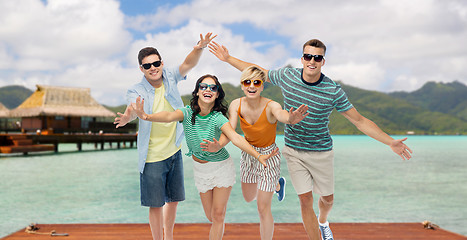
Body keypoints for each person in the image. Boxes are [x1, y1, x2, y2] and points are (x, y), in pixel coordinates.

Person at [208, 39, 413, 240]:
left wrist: (390, 141)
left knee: (327, 200)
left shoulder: (333, 91)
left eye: (317, 57)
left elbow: (359, 121)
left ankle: (323, 221)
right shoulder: (288, 76)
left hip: (321, 152)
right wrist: (227, 59)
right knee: (305, 200)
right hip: (294, 150)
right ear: (302, 58)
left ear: (323, 61)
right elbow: (258, 71)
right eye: (308, 56)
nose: (312, 61)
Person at [128, 74, 280, 240]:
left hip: (221, 167)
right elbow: (168, 116)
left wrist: (258, 156)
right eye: (203, 86)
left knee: (218, 215)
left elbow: (235, 137)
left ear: (216, 94)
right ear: (197, 92)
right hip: (201, 170)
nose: (208, 89)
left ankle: (272, 185)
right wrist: (146, 116)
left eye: (213, 88)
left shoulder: (218, 118)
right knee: (211, 217)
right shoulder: (186, 113)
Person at [113, 32, 216, 240]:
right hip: (152, 156)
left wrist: (199, 48)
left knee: (174, 200)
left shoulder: (169, 75)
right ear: (141, 69)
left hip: (174, 150)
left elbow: (188, 64)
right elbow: (133, 107)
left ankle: (169, 236)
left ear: (161, 62)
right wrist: (127, 116)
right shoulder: (136, 89)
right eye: (147, 65)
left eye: (156, 63)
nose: (153, 68)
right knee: (155, 204)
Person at [200, 65, 309, 240]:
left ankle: (273, 183)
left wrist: (291, 119)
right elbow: (231, 131)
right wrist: (218, 145)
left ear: (262, 86)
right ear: (242, 85)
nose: (252, 86)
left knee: (262, 207)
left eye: (257, 82)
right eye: (247, 82)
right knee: (248, 197)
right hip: (248, 153)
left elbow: (281, 115)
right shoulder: (236, 104)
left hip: (269, 156)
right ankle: (277, 184)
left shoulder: (271, 105)